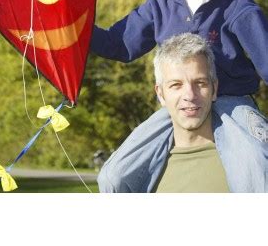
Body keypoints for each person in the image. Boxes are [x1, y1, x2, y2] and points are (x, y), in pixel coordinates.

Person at [91, 0, 268, 192]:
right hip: (179, 106)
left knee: (258, 166)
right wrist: (73, 29)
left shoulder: (237, 6)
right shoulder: (159, 4)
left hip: (232, 101)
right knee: (114, 176)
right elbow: (120, 44)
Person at [98, 33, 267, 192]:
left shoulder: (253, 166)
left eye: (200, 83)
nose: (190, 95)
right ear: (160, 94)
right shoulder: (133, 176)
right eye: (176, 85)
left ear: (214, 89)